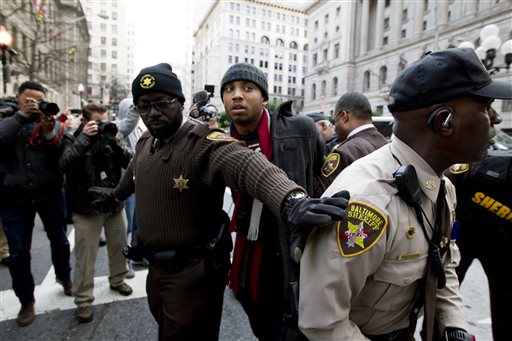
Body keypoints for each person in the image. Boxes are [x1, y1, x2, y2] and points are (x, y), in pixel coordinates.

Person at [87, 62, 347, 341]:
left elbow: (250, 166)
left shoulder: (204, 143)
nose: (153, 113)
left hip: (192, 273)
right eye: (144, 106)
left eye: (162, 103)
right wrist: (115, 194)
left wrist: (292, 200)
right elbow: (135, 173)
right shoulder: (146, 141)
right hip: (157, 270)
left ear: (181, 102)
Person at [298, 48, 512, 341]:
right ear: (443, 121)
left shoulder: (442, 187)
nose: (496, 119)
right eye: (485, 108)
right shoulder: (369, 201)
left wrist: (453, 326)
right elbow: (322, 323)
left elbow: (444, 264)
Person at [221, 62, 326, 340]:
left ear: (264, 97)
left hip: (290, 246)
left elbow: (320, 177)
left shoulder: (302, 129)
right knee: (261, 323)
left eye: (248, 88)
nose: (237, 95)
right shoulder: (219, 142)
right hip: (248, 248)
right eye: (229, 90)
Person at [0, 81, 72, 327]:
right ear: (18, 98)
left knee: (61, 241)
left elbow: (63, 153)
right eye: (29, 99)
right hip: (13, 198)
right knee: (19, 253)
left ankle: (65, 276)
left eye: (38, 100)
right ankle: (26, 300)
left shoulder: (49, 121)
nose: (34, 104)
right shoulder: (7, 118)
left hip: (49, 193)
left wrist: (50, 131)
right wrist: (21, 117)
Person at [60, 102, 134, 323]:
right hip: (86, 207)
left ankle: (117, 279)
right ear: (85, 121)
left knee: (119, 245)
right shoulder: (72, 137)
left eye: (105, 121)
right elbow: (63, 164)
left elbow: (130, 160)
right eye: (97, 122)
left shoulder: (111, 136)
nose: (102, 125)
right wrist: (84, 138)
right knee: (86, 256)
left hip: (113, 203)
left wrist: (116, 140)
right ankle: (83, 300)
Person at [445, 147, 511, 341]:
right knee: (443, 296)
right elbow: (444, 181)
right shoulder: (485, 168)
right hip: (463, 239)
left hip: (503, 250)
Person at [319, 92, 389, 187]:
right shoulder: (385, 142)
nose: (334, 127)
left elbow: (321, 192)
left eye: (335, 121)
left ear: (344, 116)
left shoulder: (344, 152)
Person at [115, 98, 146, 278]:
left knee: (137, 224)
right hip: (125, 185)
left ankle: (137, 255)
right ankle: (125, 263)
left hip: (140, 184)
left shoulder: (140, 130)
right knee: (125, 227)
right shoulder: (117, 128)